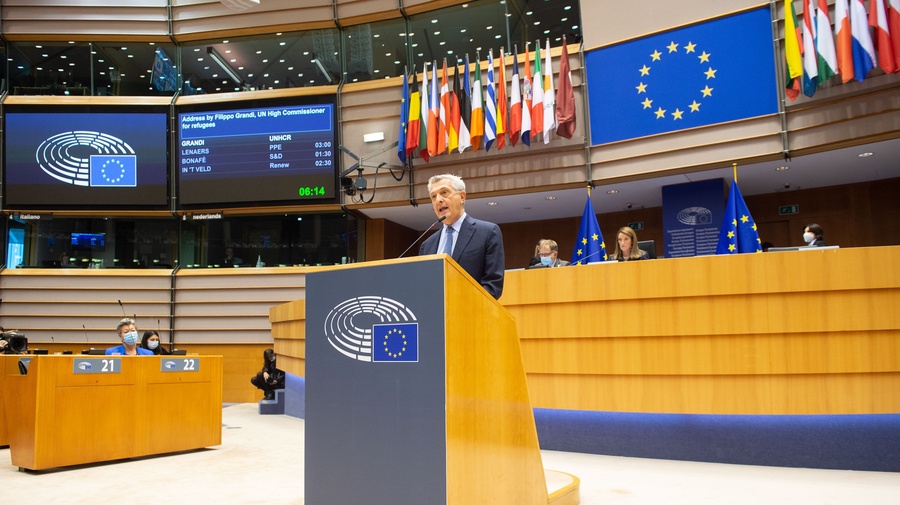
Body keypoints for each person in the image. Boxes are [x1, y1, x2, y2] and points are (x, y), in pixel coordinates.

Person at [418, 174, 505, 299]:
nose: (438, 200)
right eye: (433, 196)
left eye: (444, 192)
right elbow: (423, 287)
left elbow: (493, 286)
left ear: (462, 197)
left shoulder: (488, 232)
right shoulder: (427, 245)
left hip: (472, 314)